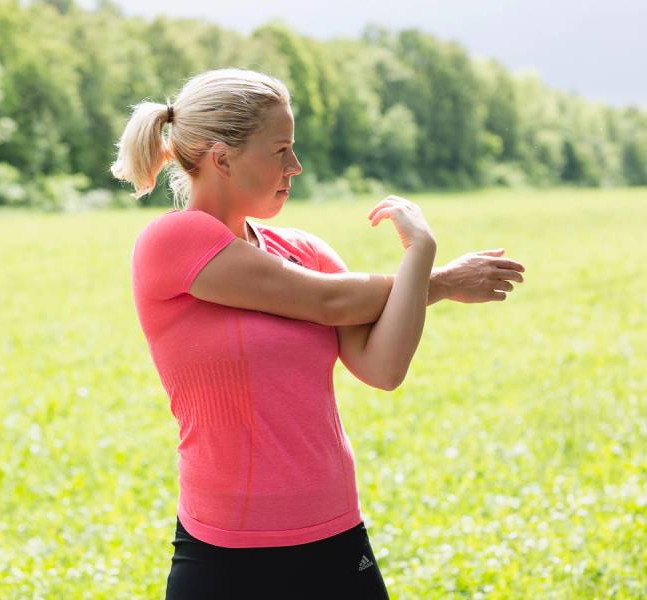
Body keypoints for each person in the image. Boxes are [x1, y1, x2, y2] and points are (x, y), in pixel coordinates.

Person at [112, 68, 525, 600]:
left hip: (335, 529)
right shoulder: (174, 240)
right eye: (280, 150)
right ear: (222, 159)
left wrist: (420, 251)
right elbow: (328, 300)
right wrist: (439, 280)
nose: (296, 166)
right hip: (226, 549)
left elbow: (382, 368)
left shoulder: (306, 251)